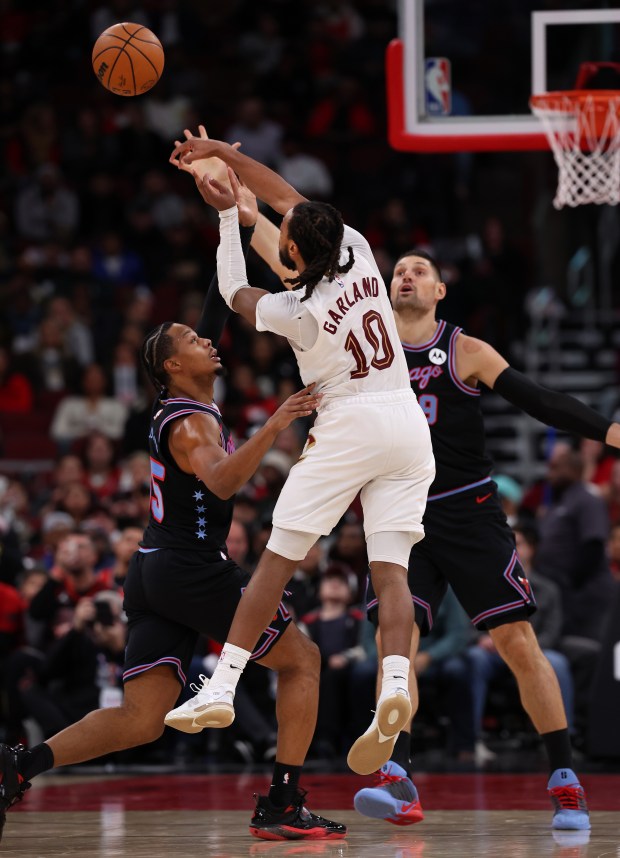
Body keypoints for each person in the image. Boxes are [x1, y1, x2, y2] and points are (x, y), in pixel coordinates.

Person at [0, 165, 346, 844]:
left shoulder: (184, 400)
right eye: (191, 341)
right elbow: (220, 484)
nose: (207, 339)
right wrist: (276, 426)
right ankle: (283, 798)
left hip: (156, 569)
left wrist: (224, 217)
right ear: (171, 367)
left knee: (141, 717)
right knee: (302, 660)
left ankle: (19, 765)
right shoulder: (191, 422)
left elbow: (218, 309)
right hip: (190, 569)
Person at [164, 133, 435, 779]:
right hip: (406, 419)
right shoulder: (361, 250)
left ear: (289, 252)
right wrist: (231, 159)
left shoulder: (298, 309)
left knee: (273, 568)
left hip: (347, 424)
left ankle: (223, 686)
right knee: (392, 573)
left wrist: (228, 211)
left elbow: (233, 291)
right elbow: (287, 194)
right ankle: (395, 684)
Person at [352, 249, 620, 832]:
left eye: (419, 270)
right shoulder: (367, 350)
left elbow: (540, 400)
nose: (406, 275)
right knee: (394, 642)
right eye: (398, 270)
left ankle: (565, 781)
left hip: (468, 513)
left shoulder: (464, 350)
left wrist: (610, 430)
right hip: (398, 514)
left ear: (441, 291)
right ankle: (397, 778)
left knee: (517, 642)